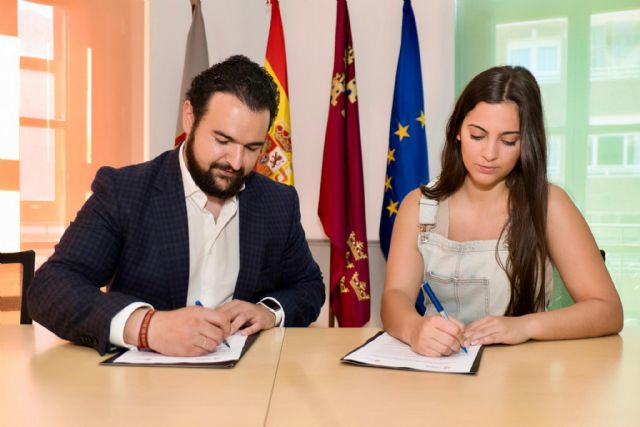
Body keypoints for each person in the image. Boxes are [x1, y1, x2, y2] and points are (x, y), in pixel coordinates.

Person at [28, 55, 325, 356]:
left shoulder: (278, 202)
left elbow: (309, 286)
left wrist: (268, 312)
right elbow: (50, 288)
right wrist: (146, 327)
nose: (236, 162)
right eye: (222, 140)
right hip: (143, 390)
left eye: (251, 148)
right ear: (190, 118)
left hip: (244, 389)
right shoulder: (124, 191)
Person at [381, 65, 623, 357]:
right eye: (477, 135)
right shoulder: (417, 205)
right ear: (457, 131)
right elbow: (395, 296)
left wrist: (523, 327)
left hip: (523, 378)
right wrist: (414, 329)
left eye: (508, 141)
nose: (490, 153)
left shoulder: (550, 205)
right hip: (440, 372)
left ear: (526, 143)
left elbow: (608, 310)